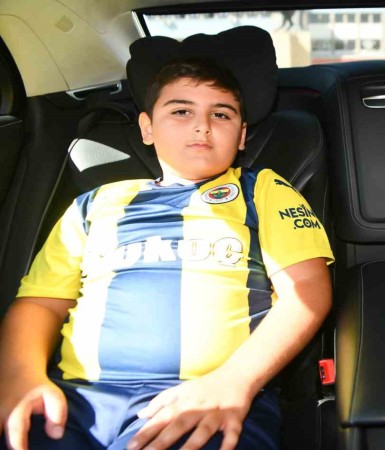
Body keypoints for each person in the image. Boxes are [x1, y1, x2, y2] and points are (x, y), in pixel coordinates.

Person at [0, 57, 333, 450]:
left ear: (242, 136)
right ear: (147, 128)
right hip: (76, 399)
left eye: (221, 115)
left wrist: (235, 381)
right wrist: (20, 375)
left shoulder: (261, 191)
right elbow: (40, 302)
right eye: (181, 111)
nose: (202, 125)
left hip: (209, 394)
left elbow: (306, 292)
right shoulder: (97, 203)